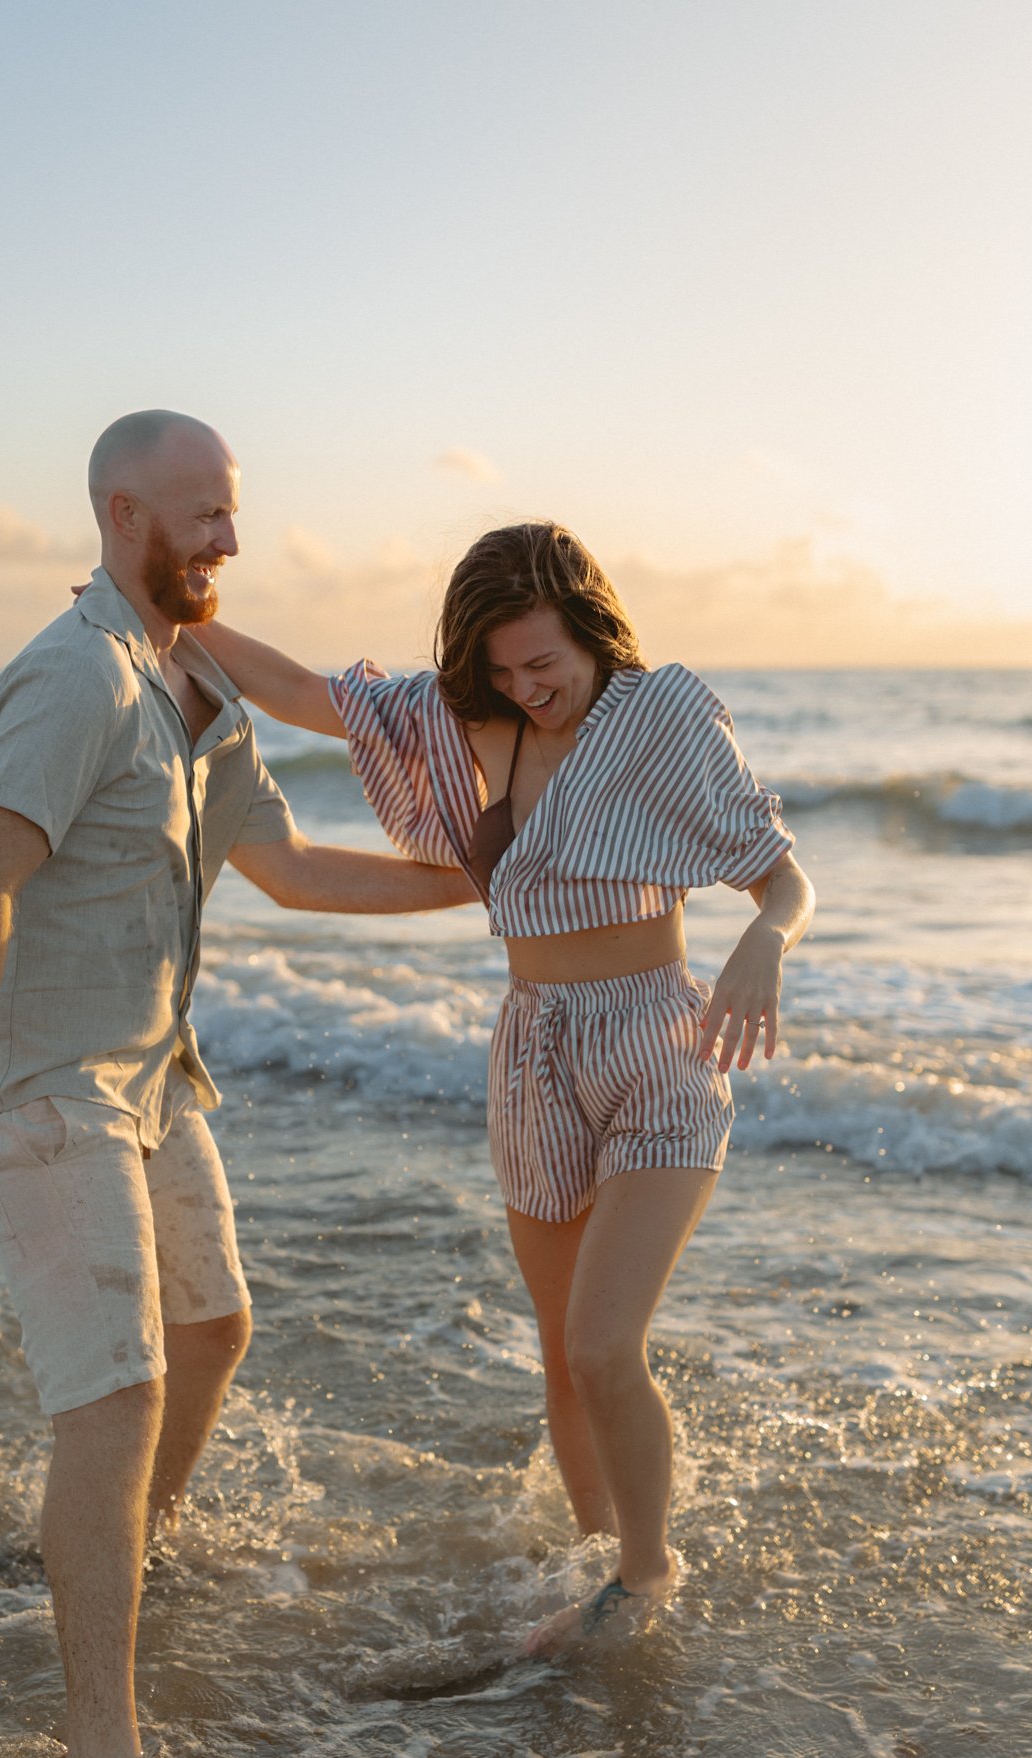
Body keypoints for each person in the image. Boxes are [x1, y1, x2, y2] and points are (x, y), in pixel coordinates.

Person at [0, 411, 475, 1758]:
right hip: (47, 1091)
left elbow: (287, 869)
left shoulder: (196, 683)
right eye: (199, 513)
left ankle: (106, 1552)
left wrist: (482, 884)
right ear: (121, 517)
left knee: (213, 1325)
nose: (227, 537)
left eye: (231, 509)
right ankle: (104, 1750)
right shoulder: (76, 678)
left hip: (151, 1075)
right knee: (117, 1394)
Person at [194, 521, 816, 1655]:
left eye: (550, 666)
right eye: (506, 670)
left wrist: (765, 938)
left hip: (656, 1047)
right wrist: (162, 610)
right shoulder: (466, 722)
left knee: (601, 1344)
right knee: (560, 1353)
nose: (531, 691)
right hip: (533, 1050)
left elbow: (781, 871)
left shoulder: (660, 715)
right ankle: (594, 1563)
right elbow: (292, 688)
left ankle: (645, 1575)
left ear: (593, 634)